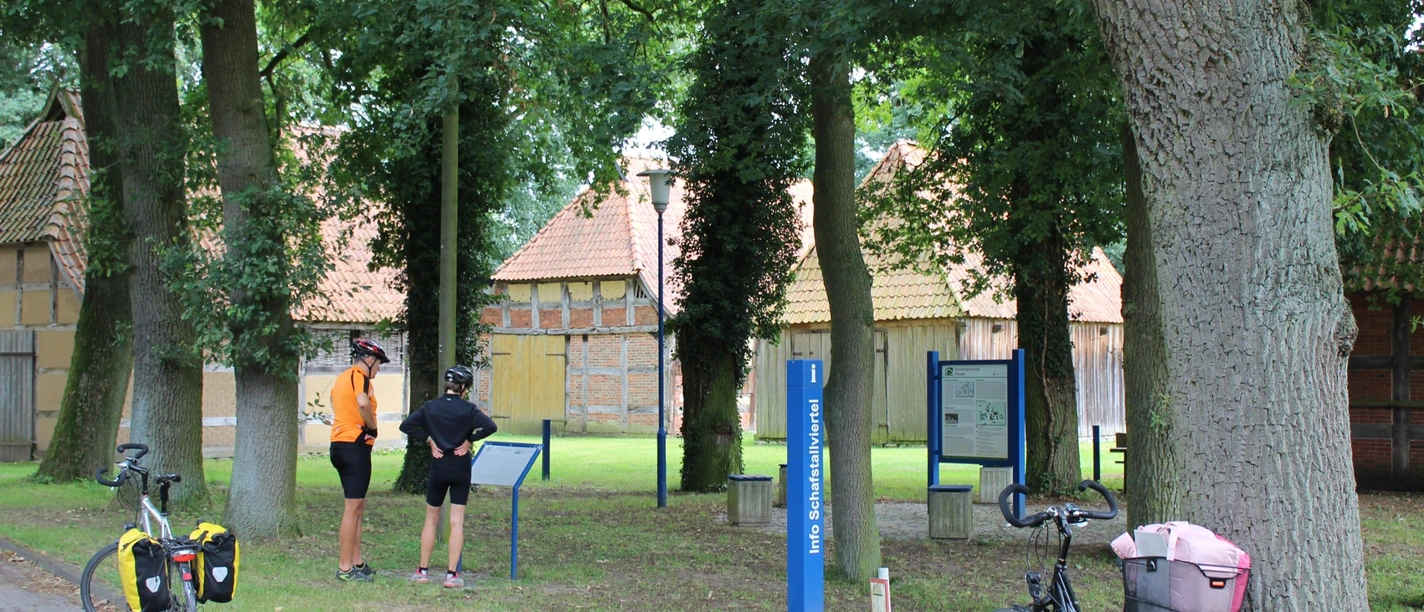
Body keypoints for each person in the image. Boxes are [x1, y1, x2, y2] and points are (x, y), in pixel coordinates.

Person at [399, 364, 498, 588]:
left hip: (439, 465)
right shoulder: (469, 409)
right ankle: (452, 575)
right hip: (460, 467)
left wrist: (429, 440)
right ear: (463, 388)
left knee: (431, 519)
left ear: (447, 385)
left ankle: (422, 571)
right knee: (456, 522)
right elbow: (490, 426)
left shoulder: (431, 407)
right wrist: (469, 440)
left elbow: (407, 426)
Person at [330, 338, 389, 583]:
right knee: (352, 508)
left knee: (358, 507)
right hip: (354, 445)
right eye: (379, 364)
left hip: (339, 444)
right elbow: (363, 403)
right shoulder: (359, 376)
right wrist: (372, 427)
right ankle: (344, 568)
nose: (379, 369)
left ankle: (356, 561)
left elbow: (335, 405)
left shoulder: (341, 379)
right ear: (369, 359)